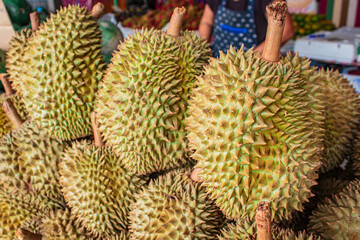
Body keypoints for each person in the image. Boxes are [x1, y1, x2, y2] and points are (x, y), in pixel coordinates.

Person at [199, 0, 294, 57]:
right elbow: (207, 22)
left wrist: (252, 56)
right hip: (217, 61)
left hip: (254, 68)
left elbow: (287, 31)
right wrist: (202, 47)